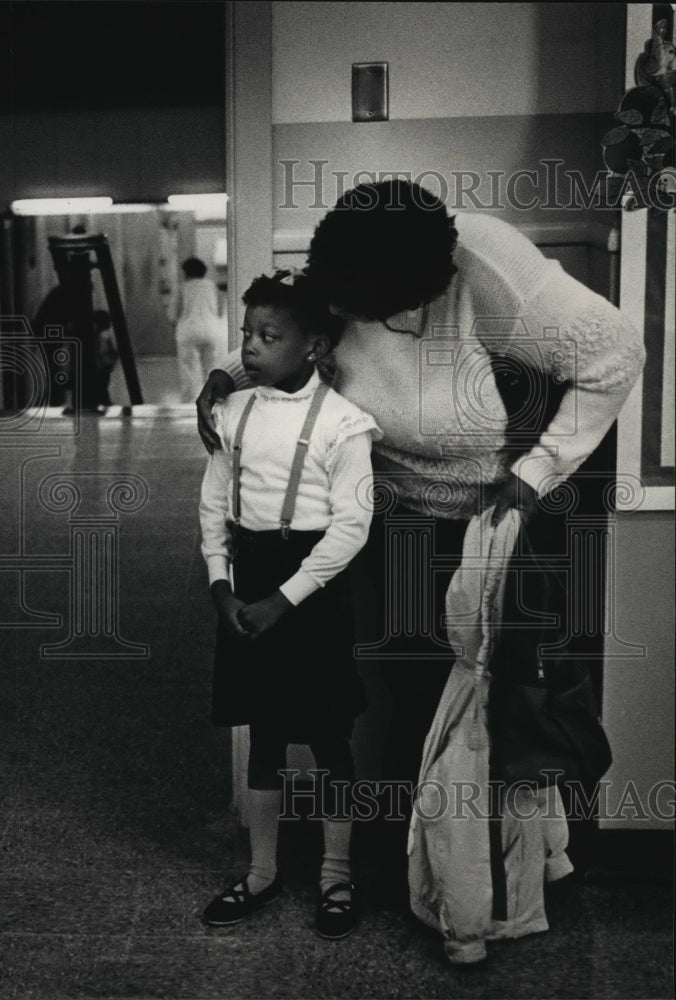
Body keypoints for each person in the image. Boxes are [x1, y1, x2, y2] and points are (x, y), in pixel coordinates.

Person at [196, 181, 645, 898]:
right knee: (414, 687)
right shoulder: (344, 274)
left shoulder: (493, 276)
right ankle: (431, 868)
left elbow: (616, 354)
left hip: (496, 518)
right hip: (396, 510)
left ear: (416, 291)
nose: (343, 317)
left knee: (507, 696)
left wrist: (537, 471)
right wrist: (223, 378)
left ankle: (517, 869)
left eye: (359, 310)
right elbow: (283, 332)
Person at [199, 270, 382, 939]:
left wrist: (284, 599)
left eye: (267, 336)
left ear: (312, 346)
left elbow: (351, 527)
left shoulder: (344, 422)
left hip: (311, 589)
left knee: (329, 734)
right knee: (265, 734)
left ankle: (337, 873)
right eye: (246, 334)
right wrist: (221, 582)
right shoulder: (234, 413)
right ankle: (262, 869)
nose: (249, 347)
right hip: (249, 578)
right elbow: (215, 502)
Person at [175, 256, 227, 403]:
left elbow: (174, 313)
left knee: (190, 369)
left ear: (186, 272)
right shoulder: (213, 287)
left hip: (189, 331)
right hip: (212, 330)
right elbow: (221, 311)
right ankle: (214, 399)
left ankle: (191, 403)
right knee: (211, 367)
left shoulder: (183, 287)